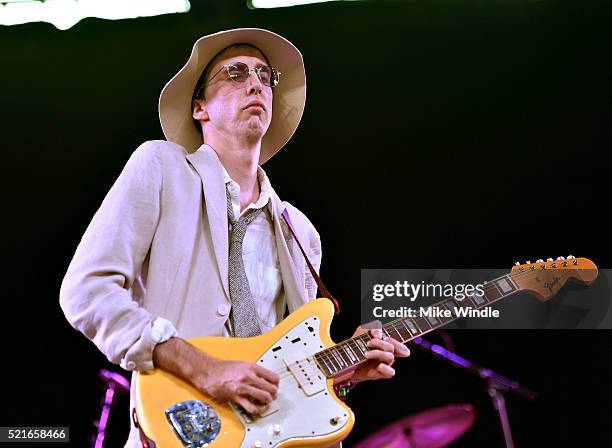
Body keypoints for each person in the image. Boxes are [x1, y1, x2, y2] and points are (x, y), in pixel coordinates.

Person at [60, 28, 410, 447]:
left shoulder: (300, 231)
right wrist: (204, 367)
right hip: (182, 425)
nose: (256, 83)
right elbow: (86, 291)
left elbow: (283, 363)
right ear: (199, 108)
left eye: (265, 76)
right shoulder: (161, 167)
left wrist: (338, 373)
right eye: (235, 73)